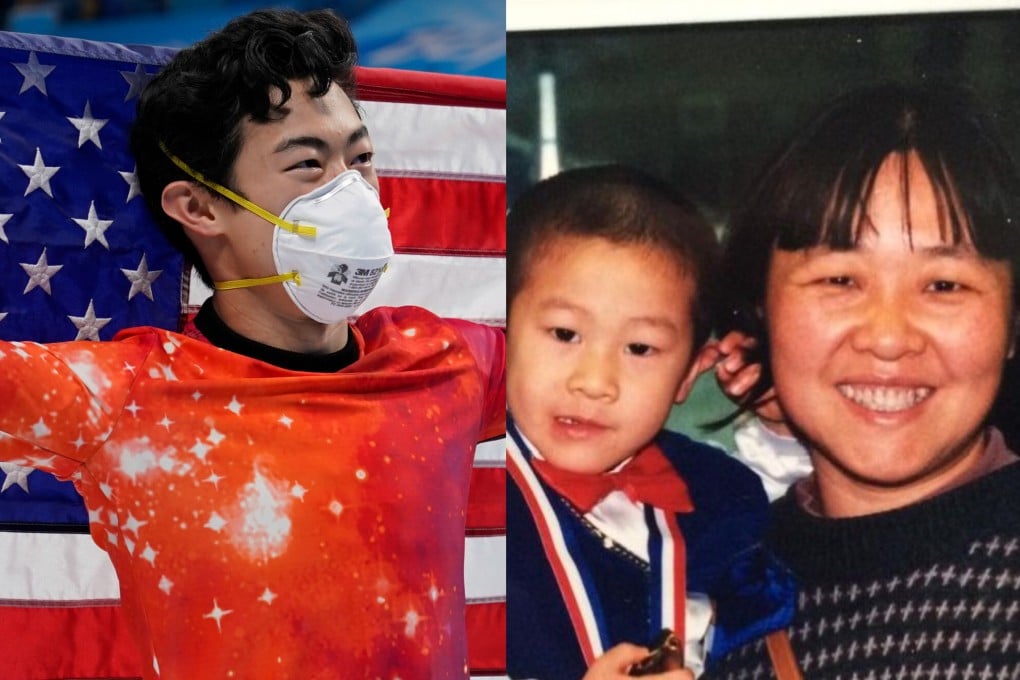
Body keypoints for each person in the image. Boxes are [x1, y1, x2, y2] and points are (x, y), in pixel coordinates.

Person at [0, 9, 504, 679]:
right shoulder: (123, 397)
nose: (353, 195)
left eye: (360, 159)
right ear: (200, 208)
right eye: (308, 165)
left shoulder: (448, 362)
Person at [704, 81, 1020, 678]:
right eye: (839, 281)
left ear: (1012, 325)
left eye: (945, 285)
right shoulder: (711, 607)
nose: (888, 335)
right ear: (760, 311)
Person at [505, 165, 795, 680]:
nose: (595, 381)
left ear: (689, 374)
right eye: (565, 334)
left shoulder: (721, 495)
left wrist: (785, 430)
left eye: (640, 348)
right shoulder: (463, 498)